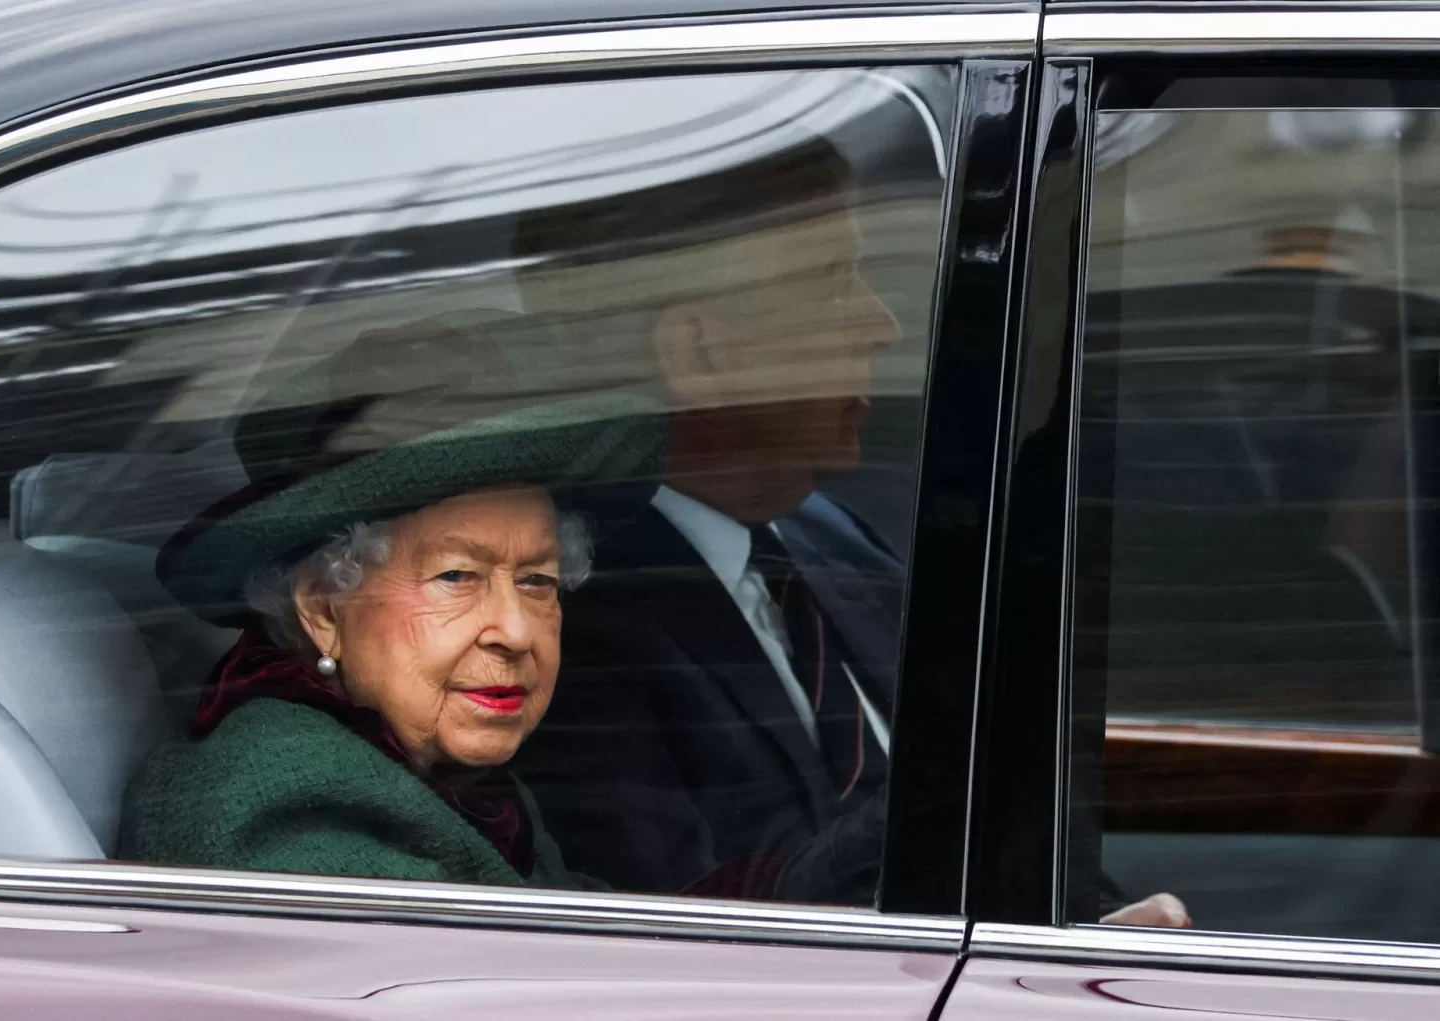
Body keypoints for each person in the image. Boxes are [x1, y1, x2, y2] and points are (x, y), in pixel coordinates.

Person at [510, 136, 1190, 924]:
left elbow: (1004, 826)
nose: (882, 324)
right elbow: (695, 938)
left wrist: (1102, 925)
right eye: (833, 285)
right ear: (700, 353)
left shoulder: (825, 535)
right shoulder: (572, 622)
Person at [119, 321, 881, 902]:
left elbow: (595, 948)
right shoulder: (293, 808)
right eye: (456, 575)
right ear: (323, 605)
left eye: (539, 581)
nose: (515, 632)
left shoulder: (426, 775)